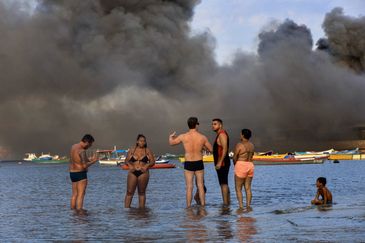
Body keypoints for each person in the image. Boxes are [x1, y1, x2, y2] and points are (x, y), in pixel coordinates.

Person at [169, 117, 213, 208]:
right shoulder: (202, 137)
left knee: (189, 186)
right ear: (196, 125)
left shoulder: (183, 136)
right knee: (200, 185)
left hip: (189, 162)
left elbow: (171, 143)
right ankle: (203, 205)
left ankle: (188, 207)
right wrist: (202, 147)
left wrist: (170, 137)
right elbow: (211, 149)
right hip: (198, 162)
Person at [125, 134, 155, 208]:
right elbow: (126, 160)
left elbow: (153, 162)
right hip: (133, 172)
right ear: (137, 141)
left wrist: (147, 166)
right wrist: (130, 165)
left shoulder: (147, 150)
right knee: (129, 192)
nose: (142, 142)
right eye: (141, 141)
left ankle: (141, 211)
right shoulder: (132, 150)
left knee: (141, 193)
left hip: (143, 172)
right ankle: (126, 211)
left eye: (144, 141)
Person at [69, 134, 98, 211]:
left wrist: (90, 159)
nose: (89, 147)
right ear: (87, 142)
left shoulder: (73, 146)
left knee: (74, 194)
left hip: (72, 173)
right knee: (81, 195)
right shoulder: (82, 150)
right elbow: (84, 166)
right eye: (90, 144)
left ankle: (72, 211)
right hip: (80, 174)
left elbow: (77, 159)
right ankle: (79, 212)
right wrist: (94, 161)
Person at [233, 129, 254, 210]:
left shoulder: (239, 145)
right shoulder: (252, 145)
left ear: (242, 135)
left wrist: (236, 165)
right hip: (250, 165)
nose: (240, 135)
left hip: (241, 164)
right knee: (248, 188)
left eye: (240, 134)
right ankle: (248, 206)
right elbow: (251, 156)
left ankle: (241, 207)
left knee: (238, 188)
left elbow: (234, 157)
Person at [212, 118, 231, 206]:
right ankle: (228, 203)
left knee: (223, 184)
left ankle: (225, 204)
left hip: (222, 163)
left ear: (220, 125)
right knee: (224, 183)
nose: (213, 125)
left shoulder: (222, 134)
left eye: (215, 124)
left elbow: (225, 149)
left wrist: (220, 162)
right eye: (212, 124)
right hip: (222, 162)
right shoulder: (219, 134)